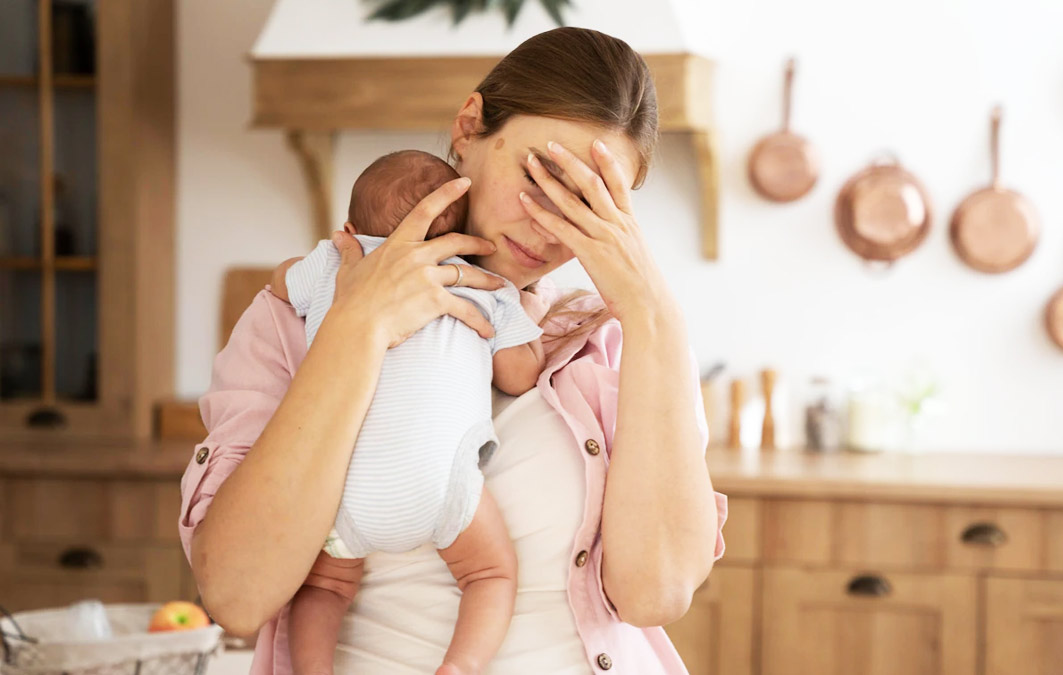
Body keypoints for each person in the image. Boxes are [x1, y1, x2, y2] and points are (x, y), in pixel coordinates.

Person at [179, 26, 729, 674]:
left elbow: (654, 592)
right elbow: (239, 595)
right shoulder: (296, 320)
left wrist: (651, 309)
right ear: (469, 127)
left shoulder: (619, 343)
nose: (547, 223)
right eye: (541, 173)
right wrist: (357, 329)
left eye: (592, 203)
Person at [272, 149, 548, 675]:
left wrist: (319, 258)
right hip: (439, 485)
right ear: (461, 237)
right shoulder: (481, 284)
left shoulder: (335, 266)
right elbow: (521, 376)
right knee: (490, 576)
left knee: (326, 586)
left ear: (352, 228)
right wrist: (528, 315)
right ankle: (460, 667)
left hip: (340, 488)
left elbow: (279, 285)